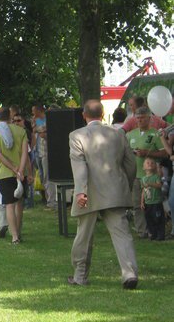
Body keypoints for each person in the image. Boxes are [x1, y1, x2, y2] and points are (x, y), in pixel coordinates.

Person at [68, 100, 138, 289]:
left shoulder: (77, 136)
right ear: (103, 113)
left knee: (84, 235)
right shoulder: (118, 134)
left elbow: (80, 166)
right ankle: (129, 274)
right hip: (115, 190)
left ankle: (80, 276)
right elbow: (131, 164)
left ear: (84, 115)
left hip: (89, 193)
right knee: (122, 234)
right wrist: (126, 184)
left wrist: (80, 191)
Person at [0, 107, 29, 244]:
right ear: (10, 117)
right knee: (19, 204)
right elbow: (25, 153)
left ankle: (14, 237)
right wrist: (20, 170)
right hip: (20, 173)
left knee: (9, 205)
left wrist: (12, 167)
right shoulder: (21, 131)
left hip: (4, 173)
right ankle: (18, 231)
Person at [125, 106, 167, 237]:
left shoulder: (155, 134)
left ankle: (154, 228)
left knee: (153, 203)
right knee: (137, 204)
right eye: (137, 118)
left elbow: (164, 153)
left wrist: (147, 153)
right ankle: (141, 230)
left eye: (142, 118)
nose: (139, 121)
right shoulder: (130, 134)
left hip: (151, 176)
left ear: (150, 118)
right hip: (135, 174)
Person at [140, 157, 165, 241]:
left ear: (155, 166)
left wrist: (151, 184)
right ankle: (153, 234)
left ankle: (160, 235)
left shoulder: (156, 177)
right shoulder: (143, 179)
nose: (150, 164)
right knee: (149, 219)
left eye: (152, 163)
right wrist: (142, 202)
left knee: (158, 218)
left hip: (156, 202)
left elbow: (159, 185)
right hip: (148, 203)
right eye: (147, 163)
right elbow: (143, 190)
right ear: (143, 167)